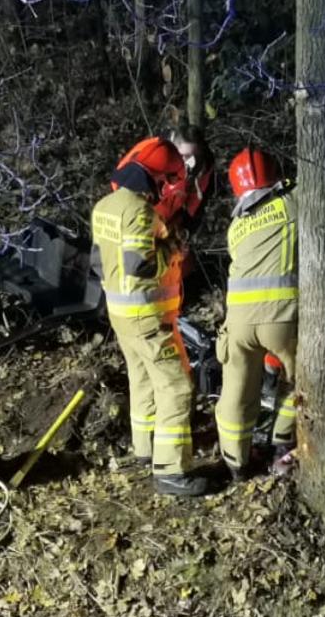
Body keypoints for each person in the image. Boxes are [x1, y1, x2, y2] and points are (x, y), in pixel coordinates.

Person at [93, 139, 214, 497]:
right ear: (155, 178)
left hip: (120, 314)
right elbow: (139, 264)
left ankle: (146, 449)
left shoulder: (104, 207)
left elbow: (99, 263)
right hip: (147, 316)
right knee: (176, 386)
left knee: (142, 380)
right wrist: (172, 250)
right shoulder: (140, 213)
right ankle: (172, 470)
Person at [214, 148, 298, 478]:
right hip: (280, 319)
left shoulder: (236, 225)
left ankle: (236, 463)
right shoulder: (293, 203)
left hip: (237, 323)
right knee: (299, 382)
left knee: (236, 393)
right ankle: (281, 444)